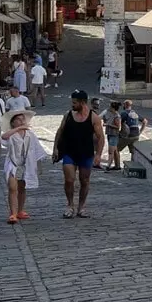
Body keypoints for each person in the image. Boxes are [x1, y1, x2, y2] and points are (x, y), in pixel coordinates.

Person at [53, 90, 104, 219]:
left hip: (86, 153)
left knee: (84, 180)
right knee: (69, 180)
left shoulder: (94, 118)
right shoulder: (68, 115)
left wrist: (98, 155)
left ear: (82, 102)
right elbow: (60, 131)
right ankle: (70, 205)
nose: (72, 105)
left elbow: (101, 137)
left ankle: (81, 207)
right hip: (69, 152)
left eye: (74, 102)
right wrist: (55, 148)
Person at [2, 107, 47, 224]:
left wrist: (38, 164)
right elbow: (4, 137)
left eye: (23, 119)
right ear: (13, 122)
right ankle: (13, 213)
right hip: (13, 163)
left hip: (26, 164)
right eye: (18, 119)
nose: (21, 121)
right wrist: (18, 129)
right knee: (12, 188)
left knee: (22, 188)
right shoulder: (12, 134)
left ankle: (20, 210)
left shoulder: (29, 134)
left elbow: (37, 149)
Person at [100, 101, 123, 171]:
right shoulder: (111, 114)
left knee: (111, 151)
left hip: (114, 135)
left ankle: (108, 166)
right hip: (110, 134)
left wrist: (108, 125)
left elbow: (118, 127)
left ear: (113, 108)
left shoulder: (117, 116)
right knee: (115, 151)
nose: (109, 108)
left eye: (110, 107)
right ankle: (117, 166)